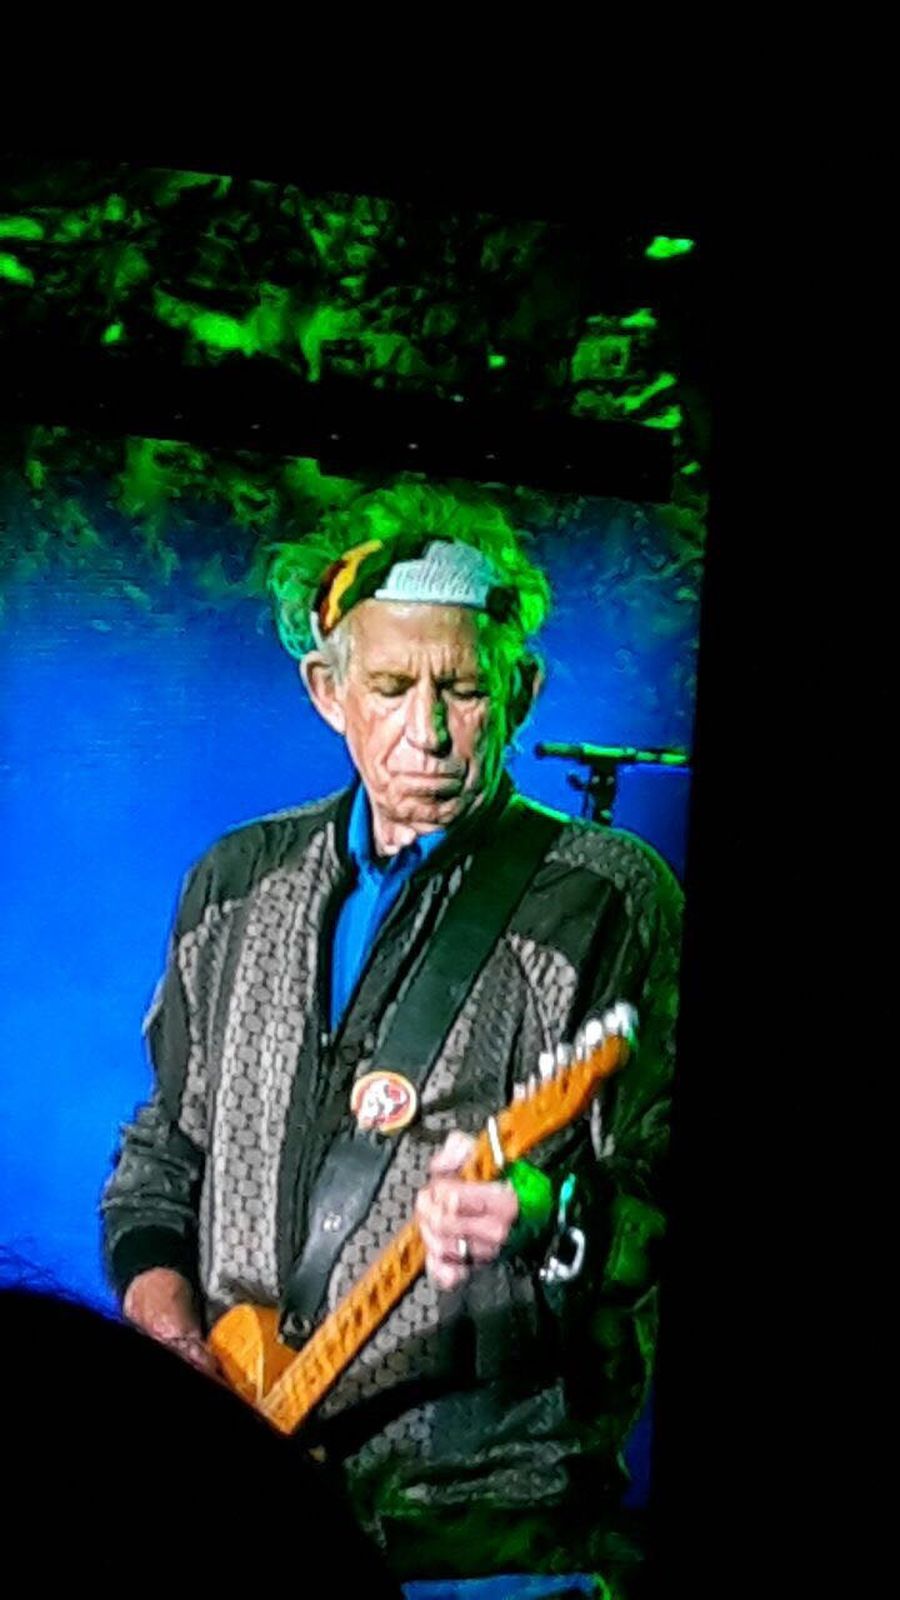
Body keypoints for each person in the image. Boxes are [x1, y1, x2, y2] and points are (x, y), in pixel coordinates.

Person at [100, 482, 682, 1596]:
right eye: (390, 686)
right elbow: (161, 1161)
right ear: (327, 692)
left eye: (463, 689)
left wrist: (551, 1211)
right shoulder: (235, 884)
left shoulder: (611, 899)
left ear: (521, 689)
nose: (428, 730)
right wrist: (171, 1348)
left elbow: (660, 1198)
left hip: (493, 1542)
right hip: (251, 1514)